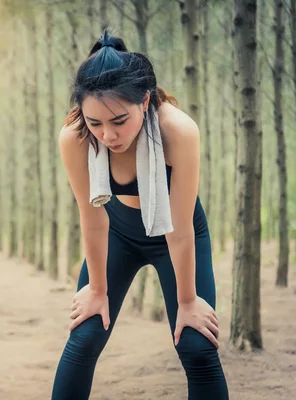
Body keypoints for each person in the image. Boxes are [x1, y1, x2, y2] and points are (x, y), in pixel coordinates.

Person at [51, 29, 229, 400]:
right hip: (116, 231)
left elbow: (179, 229)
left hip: (178, 234)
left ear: (145, 101)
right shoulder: (75, 137)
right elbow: (93, 216)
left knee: (196, 345)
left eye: (119, 121)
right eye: (95, 122)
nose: (108, 135)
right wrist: (97, 291)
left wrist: (187, 302)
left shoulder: (177, 131)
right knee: (84, 335)